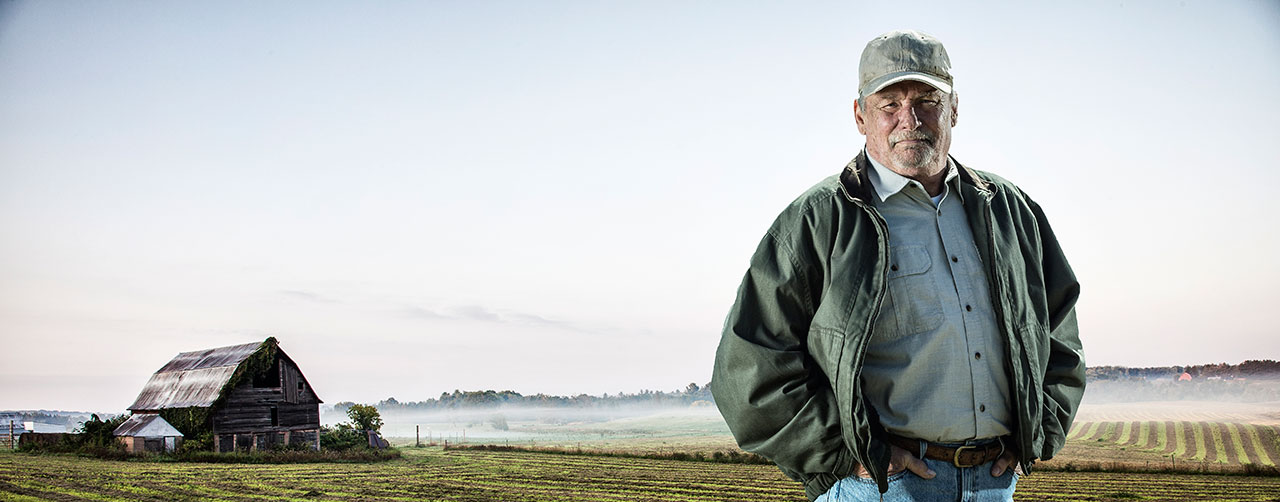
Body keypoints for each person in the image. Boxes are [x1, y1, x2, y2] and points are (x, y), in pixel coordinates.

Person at [711, 29, 1085, 502]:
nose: (910, 119)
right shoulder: (820, 219)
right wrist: (847, 454)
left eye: (927, 100)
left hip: (994, 482)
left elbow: (1059, 330)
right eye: (889, 104)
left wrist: (1039, 430)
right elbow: (748, 366)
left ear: (953, 110)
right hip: (880, 487)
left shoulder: (1009, 210)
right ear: (860, 115)